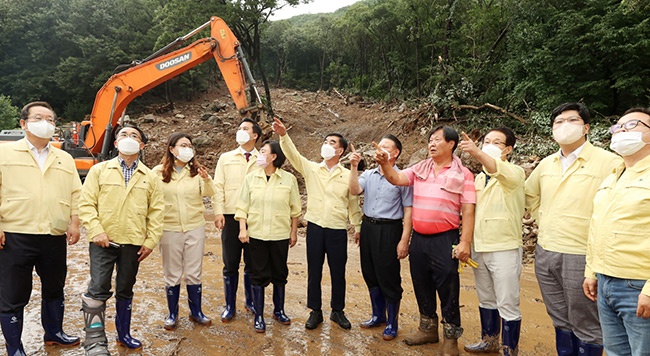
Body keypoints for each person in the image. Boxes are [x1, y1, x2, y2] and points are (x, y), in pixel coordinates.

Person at [525, 102, 622, 356]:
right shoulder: (546, 164)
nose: (564, 126)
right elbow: (529, 194)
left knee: (587, 322)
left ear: (586, 127)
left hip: (582, 254)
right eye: (558, 122)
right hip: (546, 251)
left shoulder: (609, 162)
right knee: (559, 318)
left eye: (571, 120)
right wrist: (542, 218)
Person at [375, 125, 475, 356]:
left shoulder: (463, 174)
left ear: (451, 144)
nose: (431, 143)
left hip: (445, 239)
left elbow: (468, 211)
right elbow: (397, 179)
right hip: (419, 238)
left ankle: (450, 338)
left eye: (437, 140)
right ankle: (427, 328)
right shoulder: (420, 168)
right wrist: (383, 163)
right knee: (421, 283)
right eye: (429, 140)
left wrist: (465, 242)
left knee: (449, 288)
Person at [0, 101, 82, 355]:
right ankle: (15, 346)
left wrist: (74, 222)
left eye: (50, 119)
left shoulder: (64, 158)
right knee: (13, 293)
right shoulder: (4, 154)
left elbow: (75, 193)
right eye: (38, 117)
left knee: (55, 286)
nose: (45, 122)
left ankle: (54, 333)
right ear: (23, 123)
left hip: (53, 234)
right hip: (16, 234)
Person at [79, 123, 164, 354]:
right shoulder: (99, 170)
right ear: (116, 143)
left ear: (142, 144)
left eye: (134, 135)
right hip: (102, 241)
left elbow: (157, 211)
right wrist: (96, 230)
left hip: (133, 243)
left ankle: (123, 334)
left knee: (126, 288)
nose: (128, 137)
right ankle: (95, 340)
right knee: (98, 288)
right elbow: (86, 204)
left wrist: (150, 240)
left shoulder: (150, 177)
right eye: (123, 134)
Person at [272, 118, 362, 331]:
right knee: (314, 270)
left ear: (340, 151)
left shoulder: (348, 174)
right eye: (326, 141)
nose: (327, 145)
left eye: (332, 143)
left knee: (338, 271)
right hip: (315, 227)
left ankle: (337, 311)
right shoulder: (312, 169)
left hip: (337, 229)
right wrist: (283, 135)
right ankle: (315, 311)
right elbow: (293, 155)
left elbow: (353, 202)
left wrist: (357, 226)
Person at [583, 107, 650, 355]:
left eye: (632, 125)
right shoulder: (613, 176)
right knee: (615, 351)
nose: (621, 129)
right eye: (618, 126)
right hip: (605, 281)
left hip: (639, 285)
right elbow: (598, 225)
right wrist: (592, 270)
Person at [458, 128, 525, 355]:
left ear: (508, 149)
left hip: (504, 247)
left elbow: (498, 170)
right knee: (486, 297)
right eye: (487, 141)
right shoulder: (478, 177)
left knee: (507, 300)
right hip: (480, 245)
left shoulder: (514, 173)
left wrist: (477, 152)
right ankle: (489, 340)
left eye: (496, 142)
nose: (490, 144)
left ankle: (509, 348)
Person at [348, 134, 413, 341]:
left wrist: (404, 240)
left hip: (389, 229)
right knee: (370, 272)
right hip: (368, 227)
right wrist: (353, 167)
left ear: (395, 153)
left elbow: (409, 211)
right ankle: (378, 315)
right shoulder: (369, 174)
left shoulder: (403, 178)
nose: (379, 149)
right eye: (379, 146)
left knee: (389, 275)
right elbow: (354, 190)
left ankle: (392, 322)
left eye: (385, 147)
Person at [235, 140, 301, 333]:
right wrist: (242, 229)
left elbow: (295, 210)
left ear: (273, 157)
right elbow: (242, 206)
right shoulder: (251, 178)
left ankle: (279, 311)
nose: (259, 155)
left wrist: (293, 232)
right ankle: (259, 316)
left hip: (280, 235)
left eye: (263, 152)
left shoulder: (289, 179)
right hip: (256, 235)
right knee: (258, 275)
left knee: (280, 274)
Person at [152, 133, 215, 330]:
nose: (187, 148)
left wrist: (206, 180)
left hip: (194, 226)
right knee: (172, 272)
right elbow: (150, 199)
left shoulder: (196, 172)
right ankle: (173, 314)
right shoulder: (158, 172)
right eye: (182, 145)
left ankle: (196, 312)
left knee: (194, 272)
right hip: (169, 228)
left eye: (189, 145)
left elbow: (210, 193)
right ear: (171, 149)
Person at [213, 118, 262, 322]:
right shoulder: (226, 158)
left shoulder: (262, 159)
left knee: (252, 263)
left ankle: (250, 301)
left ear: (255, 135)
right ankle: (229, 305)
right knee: (230, 262)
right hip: (231, 216)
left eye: (245, 128)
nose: (240, 131)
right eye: (239, 128)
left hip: (255, 217)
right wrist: (218, 212)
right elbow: (218, 186)